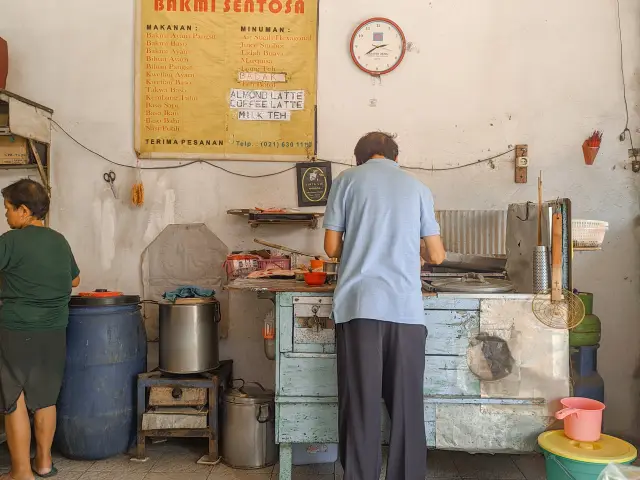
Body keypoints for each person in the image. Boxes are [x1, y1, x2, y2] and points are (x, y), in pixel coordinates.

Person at [323, 132, 445, 480]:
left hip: (359, 307)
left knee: (360, 404)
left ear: (360, 157)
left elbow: (331, 248)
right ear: (394, 157)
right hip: (406, 311)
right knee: (407, 407)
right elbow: (436, 254)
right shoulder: (418, 188)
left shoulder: (346, 181)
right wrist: (411, 249)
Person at [0, 179, 80, 480]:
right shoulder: (58, 240)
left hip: (17, 330)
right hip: (54, 330)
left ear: (23, 210)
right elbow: (74, 280)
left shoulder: (10, 241)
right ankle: (44, 463)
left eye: (8, 209)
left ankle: (21, 471)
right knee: (46, 396)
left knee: (14, 398)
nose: (6, 216)